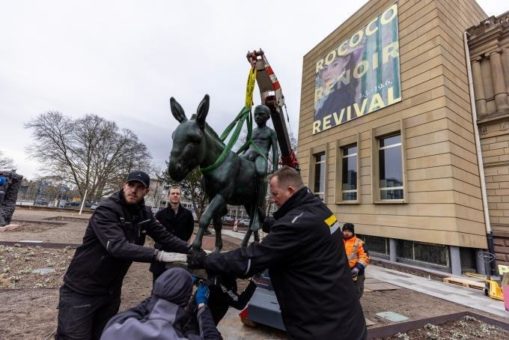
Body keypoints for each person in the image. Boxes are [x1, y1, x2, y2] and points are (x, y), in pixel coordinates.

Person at [188, 166, 367, 339]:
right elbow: (303, 231)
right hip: (345, 318)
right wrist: (268, 223)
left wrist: (207, 260)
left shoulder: (296, 225)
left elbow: (250, 260)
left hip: (324, 328)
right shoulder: (320, 210)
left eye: (275, 194)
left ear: (290, 190)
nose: (273, 199)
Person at [56, 171, 195, 340]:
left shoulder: (144, 214)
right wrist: (160, 255)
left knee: (103, 335)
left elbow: (164, 236)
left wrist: (192, 250)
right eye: (131, 185)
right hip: (82, 289)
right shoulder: (107, 210)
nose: (133, 190)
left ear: (146, 192)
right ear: (124, 185)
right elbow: (117, 246)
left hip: (111, 290)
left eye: (139, 187)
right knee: (73, 337)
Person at [100, 267, 221, 340]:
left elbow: (139, 309)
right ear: (185, 302)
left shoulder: (117, 325)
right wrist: (202, 306)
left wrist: (165, 289)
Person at [239, 104, 278, 231]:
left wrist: (275, 170)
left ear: (267, 116)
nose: (257, 117)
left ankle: (258, 205)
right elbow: (246, 146)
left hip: (261, 156)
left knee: (261, 173)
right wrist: (237, 155)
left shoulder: (270, 132)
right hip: (248, 154)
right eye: (255, 114)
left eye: (260, 114)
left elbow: (276, 151)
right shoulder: (252, 131)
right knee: (233, 166)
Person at [150, 185, 194, 282]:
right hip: (162, 255)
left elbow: (189, 232)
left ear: (180, 196)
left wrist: (185, 247)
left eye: (177, 193)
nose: (175, 195)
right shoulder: (160, 215)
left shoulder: (188, 215)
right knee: (158, 286)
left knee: (177, 286)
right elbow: (154, 233)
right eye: (173, 193)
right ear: (168, 196)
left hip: (179, 255)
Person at [342, 223, 369, 299]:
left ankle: (355, 307)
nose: (346, 233)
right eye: (345, 231)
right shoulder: (339, 242)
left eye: (349, 231)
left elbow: (364, 257)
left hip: (357, 271)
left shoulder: (359, 242)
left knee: (357, 290)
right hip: (342, 271)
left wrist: (358, 267)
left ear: (353, 232)